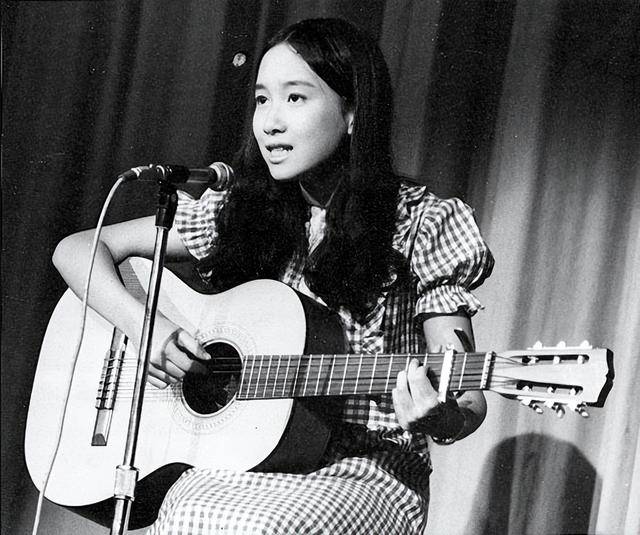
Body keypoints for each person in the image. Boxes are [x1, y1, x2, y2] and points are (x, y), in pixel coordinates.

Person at [53, 17, 494, 535]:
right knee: (191, 512)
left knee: (247, 525)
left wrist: (439, 417)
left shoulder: (421, 222)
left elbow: (467, 395)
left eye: (296, 98)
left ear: (353, 112)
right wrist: (144, 329)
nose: (270, 123)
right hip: (242, 460)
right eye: (262, 100)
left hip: (366, 467)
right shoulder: (239, 209)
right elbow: (77, 250)